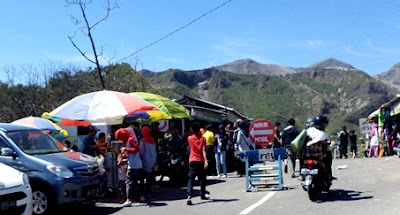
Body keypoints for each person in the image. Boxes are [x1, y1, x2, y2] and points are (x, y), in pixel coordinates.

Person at [115, 128, 145, 207]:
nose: (120, 140)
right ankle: (141, 197)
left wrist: (127, 150)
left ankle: (129, 200)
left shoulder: (130, 139)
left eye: (120, 137)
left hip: (134, 165)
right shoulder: (128, 140)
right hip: (135, 164)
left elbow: (137, 149)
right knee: (134, 182)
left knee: (129, 182)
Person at [186, 122, 208, 206]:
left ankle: (189, 196)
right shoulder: (203, 139)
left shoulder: (189, 138)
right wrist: (206, 161)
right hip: (200, 160)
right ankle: (202, 194)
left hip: (192, 160)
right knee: (202, 178)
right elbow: (203, 151)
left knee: (191, 179)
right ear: (199, 129)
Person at [139, 126, 157, 195]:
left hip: (145, 160)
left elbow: (141, 151)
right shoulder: (152, 139)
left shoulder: (143, 141)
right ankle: (149, 188)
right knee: (149, 174)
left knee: (143, 176)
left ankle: (143, 189)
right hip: (152, 159)